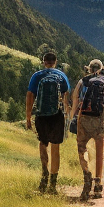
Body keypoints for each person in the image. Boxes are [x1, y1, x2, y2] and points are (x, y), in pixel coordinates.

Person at [24, 51, 71, 194]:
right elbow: (66, 97)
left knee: (43, 144)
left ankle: (43, 178)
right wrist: (67, 116)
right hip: (57, 116)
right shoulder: (62, 76)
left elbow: (30, 95)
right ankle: (53, 184)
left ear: (44, 61)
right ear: (55, 62)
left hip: (41, 115)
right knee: (55, 148)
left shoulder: (37, 76)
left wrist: (28, 117)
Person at [71, 59, 104, 202]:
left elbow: (75, 99)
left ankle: (86, 176)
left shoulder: (83, 81)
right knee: (99, 150)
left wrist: (73, 117)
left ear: (89, 69)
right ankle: (98, 183)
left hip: (83, 118)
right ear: (101, 68)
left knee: (82, 148)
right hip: (100, 118)